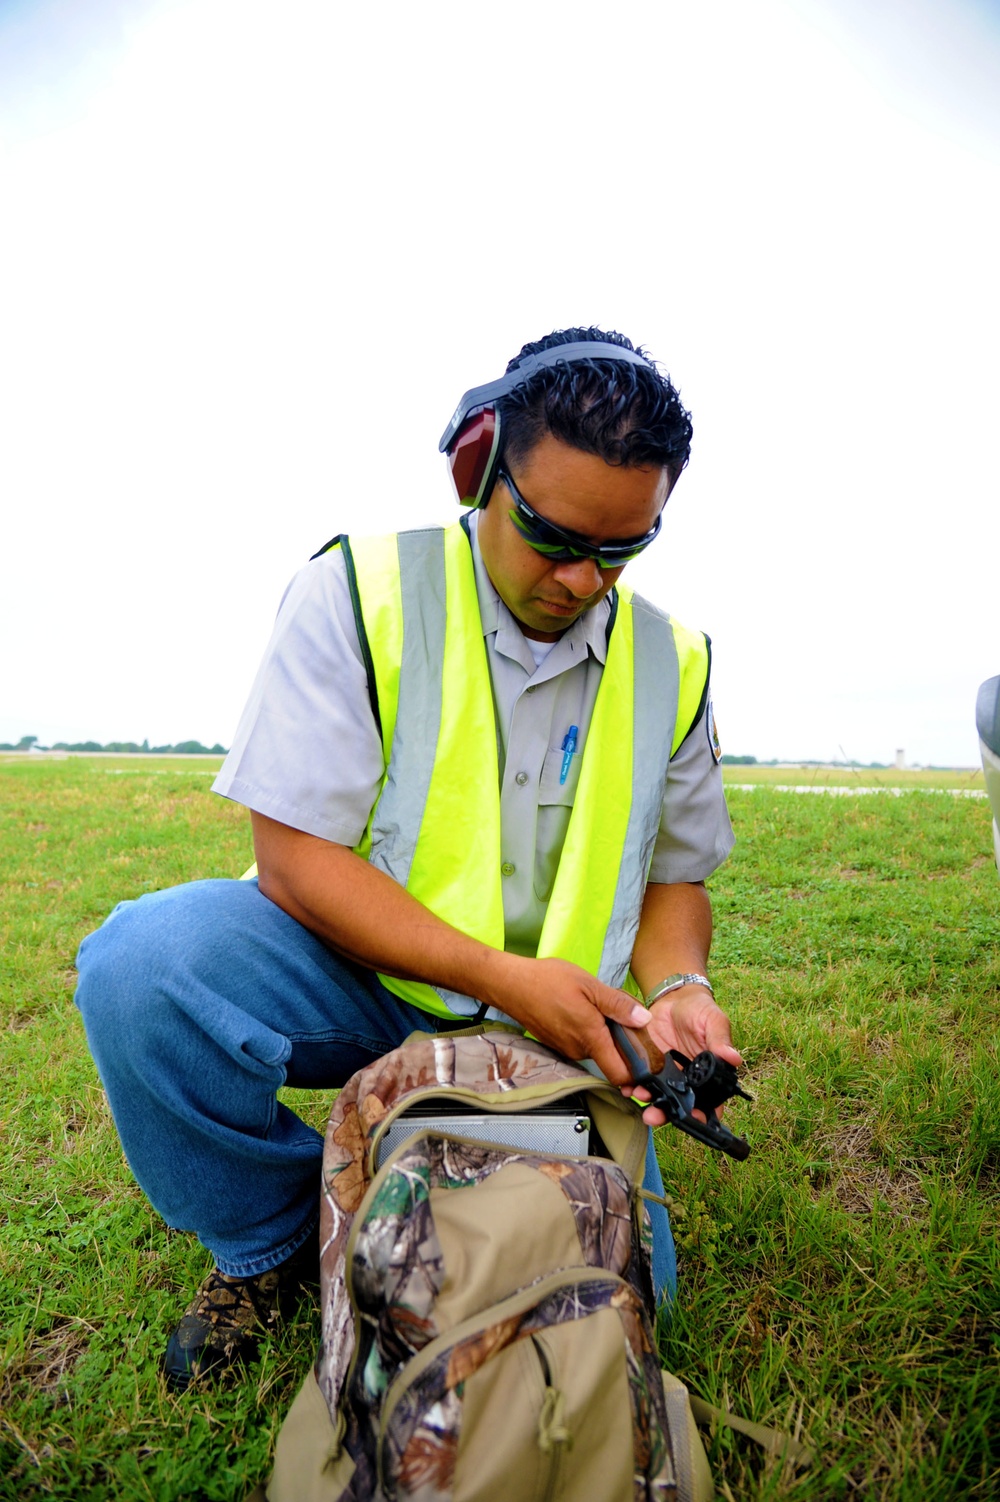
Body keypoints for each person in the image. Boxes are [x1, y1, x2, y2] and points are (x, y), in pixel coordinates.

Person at [75, 326, 738, 1390]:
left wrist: (679, 987)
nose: (580, 577)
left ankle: (432, 1165)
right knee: (141, 967)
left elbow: (675, 872)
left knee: (620, 1300)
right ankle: (270, 1239)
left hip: (548, 1025)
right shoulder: (359, 591)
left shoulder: (674, 657)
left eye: (620, 548)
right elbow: (292, 857)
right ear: (480, 467)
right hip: (360, 974)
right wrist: (502, 975)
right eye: (552, 534)